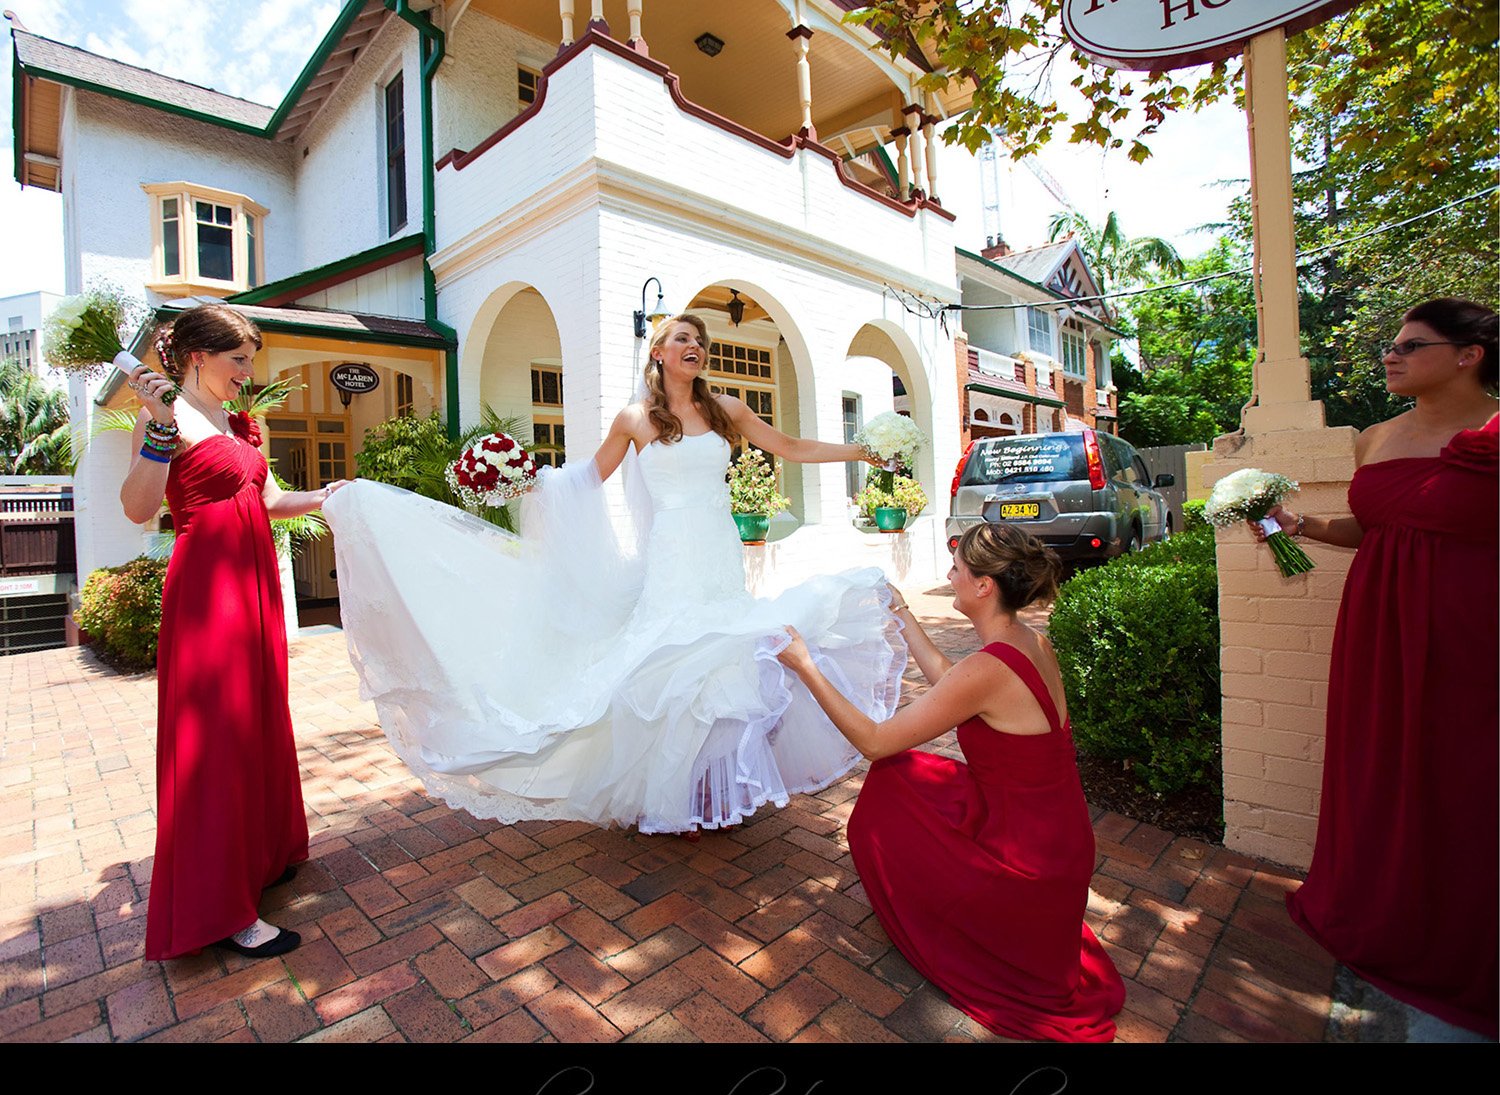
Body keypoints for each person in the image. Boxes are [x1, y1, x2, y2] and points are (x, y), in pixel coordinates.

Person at [325, 314, 905, 835]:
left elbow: (790, 445)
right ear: (658, 352)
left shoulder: (725, 408)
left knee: (722, 658)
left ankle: (713, 786)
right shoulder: (635, 419)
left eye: (699, 340)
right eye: (681, 338)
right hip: (672, 556)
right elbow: (587, 479)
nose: (693, 345)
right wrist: (526, 480)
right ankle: (677, 788)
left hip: (717, 548)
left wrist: (862, 454)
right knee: (670, 660)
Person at [777, 522, 1125, 1042]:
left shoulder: (990, 667)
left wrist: (805, 665)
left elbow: (874, 740)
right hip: (1059, 842)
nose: (949, 574)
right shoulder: (1031, 642)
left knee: (886, 772)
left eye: (957, 569)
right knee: (906, 776)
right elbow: (953, 681)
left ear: (984, 587)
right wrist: (904, 613)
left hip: (1025, 861)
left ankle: (943, 914)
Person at [1256, 299, 1498, 1039]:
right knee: (1386, 769)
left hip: (1473, 639)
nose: (1390, 356)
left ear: (1469, 354)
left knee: (1466, 782)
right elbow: (1376, 526)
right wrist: (1290, 526)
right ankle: (1388, 912)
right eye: (1389, 346)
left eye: (1410, 345)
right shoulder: (1377, 439)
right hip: (1379, 633)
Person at [122, 305, 348, 960]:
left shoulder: (241, 423)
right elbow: (138, 510)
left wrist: (329, 496)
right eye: (238, 360)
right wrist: (161, 428)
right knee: (214, 742)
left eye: (250, 360)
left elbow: (270, 499)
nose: (248, 374)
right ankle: (223, 910)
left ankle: (260, 855)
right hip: (207, 597)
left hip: (254, 591)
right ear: (196, 356)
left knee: (256, 724)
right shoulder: (164, 417)